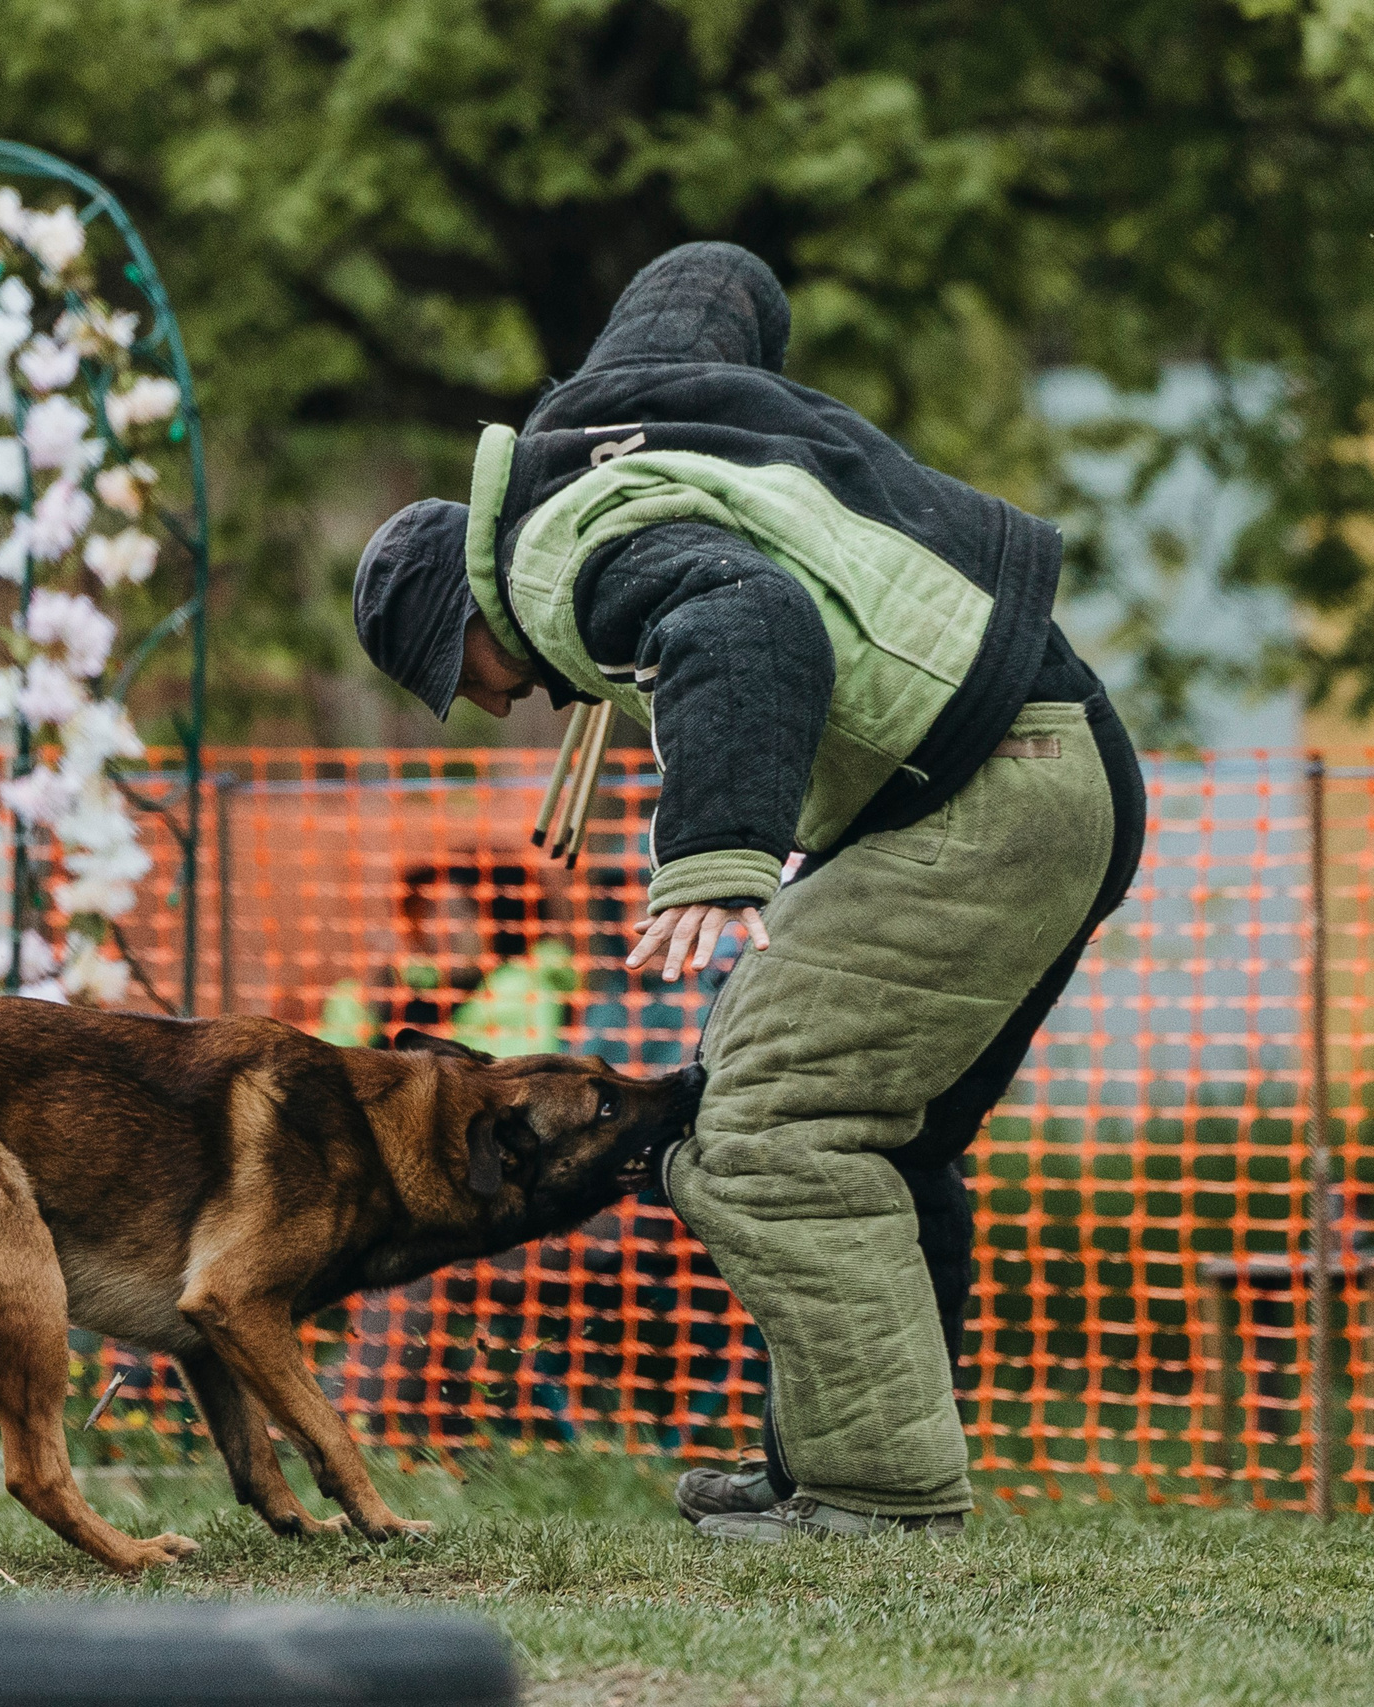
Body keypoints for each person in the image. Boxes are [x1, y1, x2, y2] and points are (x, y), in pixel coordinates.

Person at [349, 243, 1144, 1540]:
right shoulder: (616, 427)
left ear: (465, 613)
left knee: (759, 1125)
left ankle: (878, 1498)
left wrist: (714, 853)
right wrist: (746, 418)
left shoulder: (578, 558)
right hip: (1034, 758)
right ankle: (829, 1460)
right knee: (850, 1125)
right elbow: (715, 275)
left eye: (468, 677)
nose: (495, 701)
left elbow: (746, 618)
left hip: (993, 786)